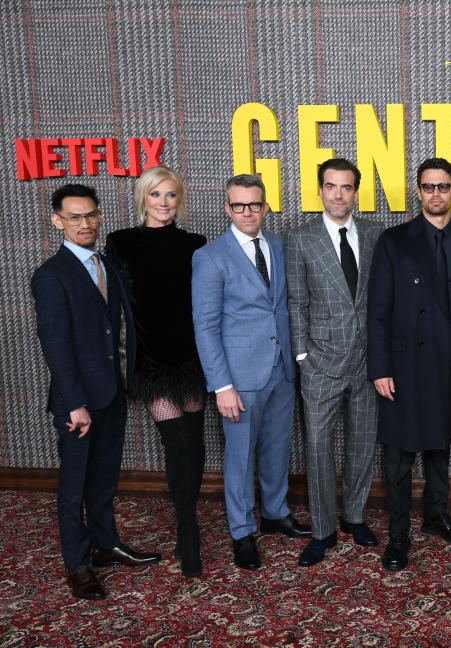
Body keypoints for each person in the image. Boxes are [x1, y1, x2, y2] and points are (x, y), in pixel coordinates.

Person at [32, 184, 160, 601]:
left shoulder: (106, 264)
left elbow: (117, 330)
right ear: (57, 221)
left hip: (113, 394)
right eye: (74, 217)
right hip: (79, 404)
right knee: (74, 487)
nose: (84, 223)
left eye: (90, 215)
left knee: (104, 479)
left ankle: (106, 545)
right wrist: (76, 404)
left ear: (99, 216)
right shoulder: (51, 275)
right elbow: (56, 346)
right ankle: (77, 564)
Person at [367, 157, 451, 571]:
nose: (437, 193)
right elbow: (378, 309)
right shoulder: (394, 240)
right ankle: (399, 531)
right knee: (399, 449)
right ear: (418, 191)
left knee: (440, 443)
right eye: (429, 186)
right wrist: (380, 367)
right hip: (405, 359)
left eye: (444, 186)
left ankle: (436, 514)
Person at [192, 174, 309, 571]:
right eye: (239, 205)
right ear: (227, 208)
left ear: (265, 207)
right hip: (239, 377)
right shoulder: (210, 256)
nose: (247, 212)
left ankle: (275, 513)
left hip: (281, 369)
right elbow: (205, 326)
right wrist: (222, 385)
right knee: (240, 458)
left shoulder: (278, 245)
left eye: (254, 205)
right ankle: (242, 532)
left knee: (278, 448)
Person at [104, 166, 207, 578]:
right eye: (156, 195)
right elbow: (111, 306)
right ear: (143, 198)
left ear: (179, 199)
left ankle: (187, 523)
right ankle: (189, 526)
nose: (163, 203)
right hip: (150, 361)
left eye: (170, 195)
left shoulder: (195, 245)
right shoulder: (121, 242)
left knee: (195, 443)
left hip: (192, 358)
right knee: (177, 442)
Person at [286, 158, 384, 566]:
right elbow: (297, 300)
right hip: (321, 361)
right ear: (320, 190)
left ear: (356, 192)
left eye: (346, 187)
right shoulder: (300, 238)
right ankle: (323, 530)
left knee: (363, 443)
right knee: (319, 447)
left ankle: (355, 516)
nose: (338, 195)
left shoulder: (376, 235)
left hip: (366, 361)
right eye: (331, 187)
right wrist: (303, 356)